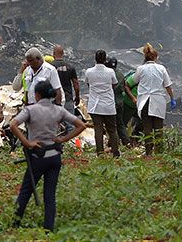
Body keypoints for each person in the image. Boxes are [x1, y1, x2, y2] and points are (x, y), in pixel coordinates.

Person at [8, 83, 86, 232]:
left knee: (26, 191)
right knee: (50, 194)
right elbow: (81, 125)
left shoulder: (31, 110)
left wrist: (27, 142)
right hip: (54, 156)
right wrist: (63, 139)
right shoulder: (59, 110)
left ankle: (14, 224)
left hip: (38, 156)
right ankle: (48, 228)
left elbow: (13, 124)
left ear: (37, 95)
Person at [133, 44, 172, 155]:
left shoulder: (140, 69)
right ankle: (159, 151)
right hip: (158, 101)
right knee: (158, 128)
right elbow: (168, 85)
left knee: (147, 128)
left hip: (145, 101)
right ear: (155, 57)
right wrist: (172, 98)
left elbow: (134, 81)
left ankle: (149, 152)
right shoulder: (161, 68)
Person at [85, 50, 121, 155]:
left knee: (98, 130)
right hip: (108, 105)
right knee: (112, 130)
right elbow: (114, 84)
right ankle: (115, 153)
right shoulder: (110, 72)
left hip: (95, 106)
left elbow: (88, 84)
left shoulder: (89, 72)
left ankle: (100, 153)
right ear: (105, 59)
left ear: (95, 59)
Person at [51, 45, 81, 120]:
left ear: (53, 53)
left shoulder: (50, 67)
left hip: (53, 100)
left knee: (53, 124)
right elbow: (76, 84)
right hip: (68, 99)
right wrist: (77, 97)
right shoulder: (70, 66)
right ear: (63, 54)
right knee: (70, 124)